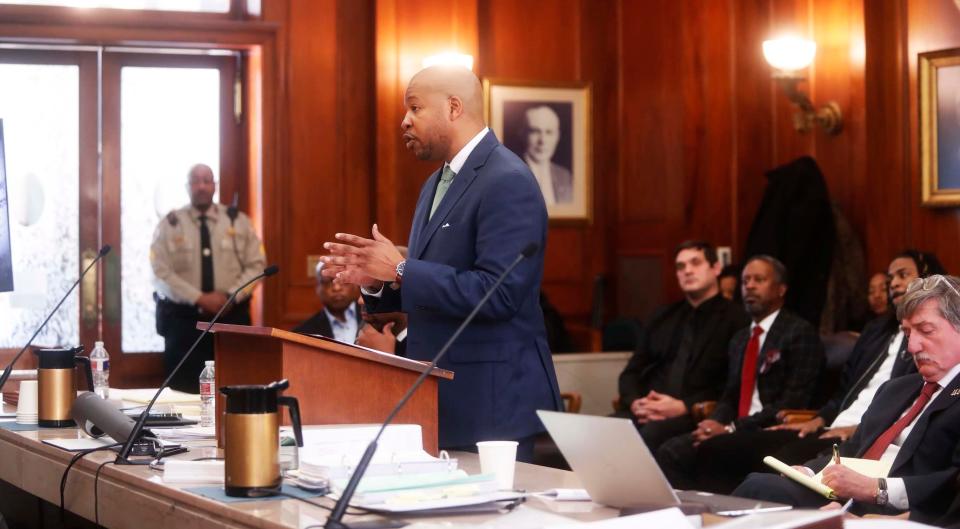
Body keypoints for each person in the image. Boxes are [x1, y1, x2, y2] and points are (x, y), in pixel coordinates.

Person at [320, 65, 563, 462]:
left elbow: (499, 294)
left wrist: (401, 269)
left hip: (492, 405)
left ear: (453, 107)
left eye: (415, 108)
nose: (404, 121)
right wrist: (379, 282)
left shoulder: (508, 179)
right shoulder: (434, 184)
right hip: (440, 398)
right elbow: (429, 291)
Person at [684, 251, 941, 493]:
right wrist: (818, 419)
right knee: (716, 451)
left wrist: (856, 429)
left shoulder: (930, 349)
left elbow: (910, 407)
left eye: (903, 274)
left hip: (865, 433)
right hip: (832, 424)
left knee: (777, 464)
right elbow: (844, 391)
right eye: (890, 277)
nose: (893, 283)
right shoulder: (875, 331)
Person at [734, 274, 960, 524]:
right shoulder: (895, 389)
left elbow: (950, 482)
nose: (913, 346)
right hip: (842, 497)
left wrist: (876, 489)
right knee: (761, 483)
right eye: (907, 333)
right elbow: (854, 449)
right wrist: (810, 472)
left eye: (926, 330)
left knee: (762, 490)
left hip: (900, 511)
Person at [655, 255, 824, 490]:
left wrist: (730, 428)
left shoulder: (799, 332)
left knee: (715, 448)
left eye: (759, 280)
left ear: (781, 289)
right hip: (735, 426)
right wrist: (713, 422)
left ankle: (721, 518)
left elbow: (792, 401)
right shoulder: (741, 338)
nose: (750, 286)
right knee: (670, 451)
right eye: (745, 281)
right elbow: (730, 396)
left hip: (772, 428)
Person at [615, 240, 748, 450]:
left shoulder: (737, 320)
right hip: (646, 411)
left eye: (695, 263)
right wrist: (636, 403)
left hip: (695, 413)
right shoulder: (662, 317)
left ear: (715, 268)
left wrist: (683, 406)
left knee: (652, 434)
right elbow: (631, 372)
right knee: (601, 431)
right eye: (681, 266)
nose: (687, 271)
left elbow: (732, 385)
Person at [151, 164, 266, 393]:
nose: (201, 186)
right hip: (183, 326)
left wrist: (230, 296)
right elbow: (159, 272)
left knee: (234, 394)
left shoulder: (239, 222)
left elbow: (257, 265)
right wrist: (199, 298)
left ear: (215, 186)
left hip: (231, 322)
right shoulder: (169, 225)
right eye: (195, 181)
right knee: (182, 397)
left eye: (207, 180)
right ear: (187, 187)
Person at [293, 261, 362, 342]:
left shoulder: (374, 320)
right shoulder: (303, 334)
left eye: (343, 280)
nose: (336, 288)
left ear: (355, 284)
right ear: (318, 288)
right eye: (327, 281)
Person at [520, 105, 572, 205]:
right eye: (535, 131)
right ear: (522, 134)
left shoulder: (565, 176)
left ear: (557, 136)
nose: (542, 141)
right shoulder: (510, 174)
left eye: (549, 132)